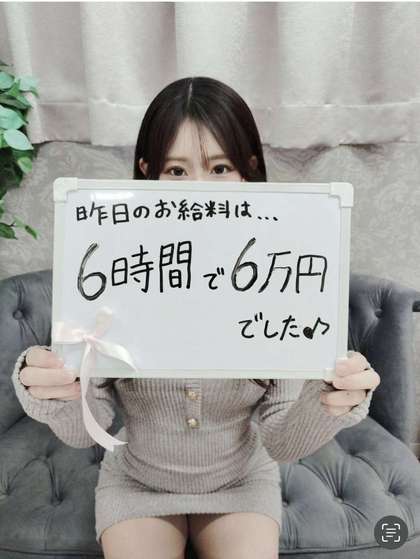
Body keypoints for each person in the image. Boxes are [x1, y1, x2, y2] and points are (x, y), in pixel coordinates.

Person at [11, 76, 380, 559]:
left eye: (220, 168)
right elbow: (87, 428)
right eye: (176, 171)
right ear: (148, 173)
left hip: (241, 482)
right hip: (137, 482)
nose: (199, 192)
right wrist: (55, 391)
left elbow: (281, 441)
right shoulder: (110, 266)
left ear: (248, 171)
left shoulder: (280, 273)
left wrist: (327, 401)